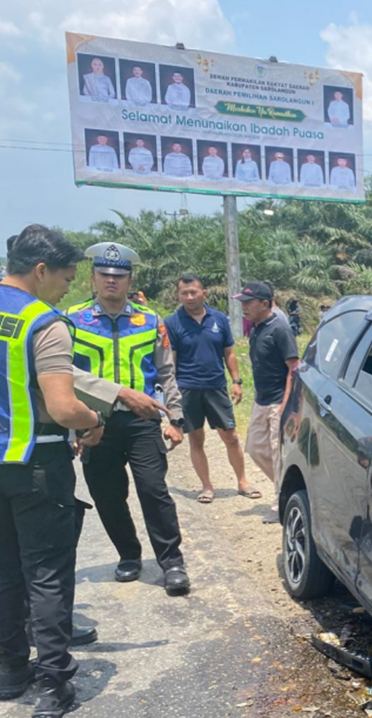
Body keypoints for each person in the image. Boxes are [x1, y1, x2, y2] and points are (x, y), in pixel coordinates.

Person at [0, 226, 109, 718]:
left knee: (5, 573)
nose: (67, 289)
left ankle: (10, 671)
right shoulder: (43, 323)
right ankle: (53, 683)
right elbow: (64, 407)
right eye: (65, 279)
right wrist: (96, 420)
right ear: (40, 271)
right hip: (37, 462)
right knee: (46, 576)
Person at [68, 243, 190, 596]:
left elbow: (167, 374)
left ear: (129, 279)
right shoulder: (73, 319)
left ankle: (172, 562)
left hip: (143, 421)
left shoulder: (150, 320)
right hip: (95, 423)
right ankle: (129, 555)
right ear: (93, 277)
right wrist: (75, 425)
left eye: (119, 276)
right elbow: (63, 375)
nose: (111, 281)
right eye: (105, 275)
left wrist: (176, 419)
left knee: (154, 490)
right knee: (108, 495)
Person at [164, 274, 258, 504]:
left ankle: (243, 481)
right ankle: (206, 487)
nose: (189, 297)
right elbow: (171, 361)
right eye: (184, 293)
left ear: (203, 293)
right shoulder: (172, 323)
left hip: (216, 386)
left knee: (231, 436)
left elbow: (229, 352)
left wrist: (236, 381)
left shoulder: (219, 319)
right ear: (179, 295)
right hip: (187, 389)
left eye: (193, 292)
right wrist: (171, 396)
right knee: (196, 439)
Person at [233, 282, 297, 524]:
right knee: (254, 447)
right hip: (261, 400)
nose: (244, 308)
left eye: (248, 303)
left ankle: (280, 502)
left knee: (277, 452)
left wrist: (285, 404)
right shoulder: (257, 329)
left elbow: (294, 368)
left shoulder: (280, 330)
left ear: (265, 303)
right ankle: (286, 488)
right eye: (242, 303)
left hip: (277, 402)